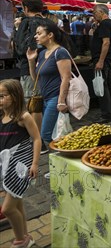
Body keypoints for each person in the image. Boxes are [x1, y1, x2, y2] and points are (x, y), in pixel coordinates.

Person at [0, 79, 42, 248]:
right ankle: (26, 236)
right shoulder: (2, 115)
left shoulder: (23, 117)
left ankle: (20, 240)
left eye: (3, 96)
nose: (0, 100)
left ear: (15, 96)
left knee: (8, 209)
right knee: (17, 203)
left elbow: (37, 139)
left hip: (20, 168)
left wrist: (35, 163)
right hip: (7, 167)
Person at [25, 21, 72, 147]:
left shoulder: (60, 52)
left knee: (46, 133)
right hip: (45, 98)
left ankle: (61, 155)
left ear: (50, 35)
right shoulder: (41, 53)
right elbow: (35, 78)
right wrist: (31, 61)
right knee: (52, 132)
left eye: (39, 33)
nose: (36, 36)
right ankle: (61, 155)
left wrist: (61, 101)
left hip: (55, 97)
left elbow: (66, 77)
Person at [12, 0, 47, 130]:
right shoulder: (47, 23)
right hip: (46, 67)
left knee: (33, 104)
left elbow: (20, 49)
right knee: (40, 102)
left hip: (29, 69)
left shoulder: (26, 23)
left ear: (25, 8)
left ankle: (35, 138)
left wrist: (17, 29)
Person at [90, 4, 111, 123]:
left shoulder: (105, 24)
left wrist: (100, 61)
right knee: (108, 85)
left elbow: (106, 43)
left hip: (103, 59)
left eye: (95, 12)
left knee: (103, 85)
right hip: (108, 58)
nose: (94, 15)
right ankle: (110, 112)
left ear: (101, 12)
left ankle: (106, 114)